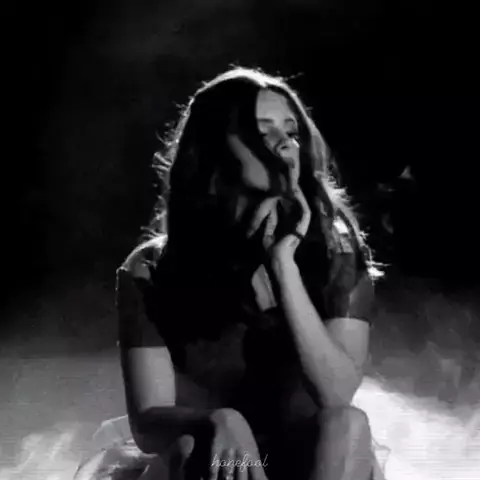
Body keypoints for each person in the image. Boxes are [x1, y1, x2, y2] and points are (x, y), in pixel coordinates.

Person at [114, 66, 384, 480]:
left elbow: (335, 395)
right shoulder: (151, 269)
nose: (285, 144)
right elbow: (148, 424)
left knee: (349, 424)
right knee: (189, 445)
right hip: (216, 462)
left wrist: (283, 265)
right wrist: (217, 420)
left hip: (315, 463)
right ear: (215, 147)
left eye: (291, 131)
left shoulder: (336, 252)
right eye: (262, 131)